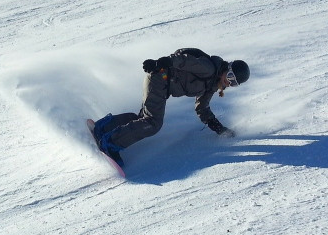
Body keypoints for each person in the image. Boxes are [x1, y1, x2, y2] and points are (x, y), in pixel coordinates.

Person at [91, 48, 250, 165]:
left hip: (163, 84)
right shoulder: (209, 68)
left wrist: (219, 128)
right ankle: (110, 143)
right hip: (160, 76)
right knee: (152, 123)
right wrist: (162, 62)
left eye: (234, 83)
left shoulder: (212, 85)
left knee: (144, 119)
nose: (229, 82)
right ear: (227, 68)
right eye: (230, 77)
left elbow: (202, 108)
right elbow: (186, 61)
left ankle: (105, 127)